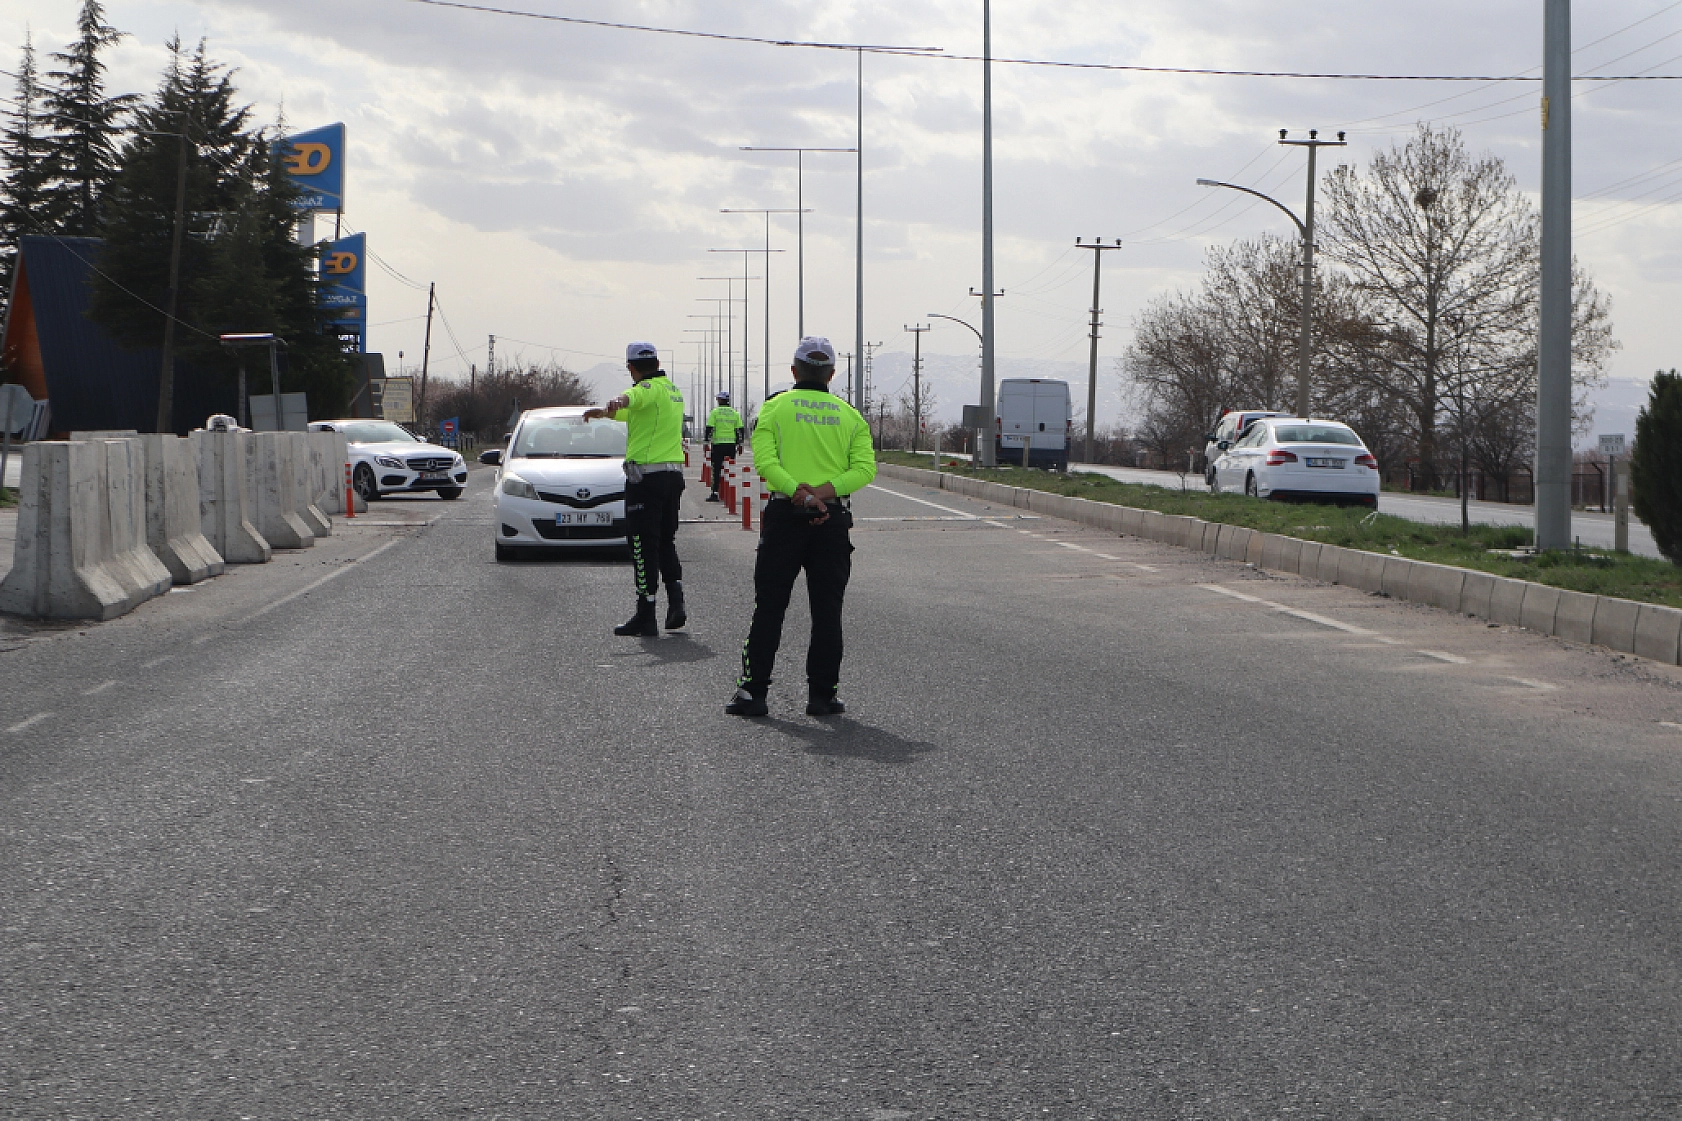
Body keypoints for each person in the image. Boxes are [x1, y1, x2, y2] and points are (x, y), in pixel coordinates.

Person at [727, 336, 876, 718]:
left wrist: (799, 493)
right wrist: (823, 495)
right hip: (832, 520)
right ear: (831, 373)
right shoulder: (850, 416)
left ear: (794, 371)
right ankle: (823, 696)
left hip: (784, 516)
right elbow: (864, 470)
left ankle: (753, 692)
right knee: (828, 611)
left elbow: (765, 463)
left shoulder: (774, 408)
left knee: (769, 607)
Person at [584, 342, 687, 636]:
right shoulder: (671, 390)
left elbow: (630, 399)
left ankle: (646, 613)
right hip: (672, 477)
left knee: (642, 544)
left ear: (631, 368)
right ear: (656, 361)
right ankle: (676, 602)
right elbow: (631, 412)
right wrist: (605, 412)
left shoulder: (645, 389)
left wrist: (616, 401)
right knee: (666, 540)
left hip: (646, 481)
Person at [704, 391, 743, 502]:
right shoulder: (735, 413)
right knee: (730, 470)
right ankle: (730, 493)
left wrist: (706, 442)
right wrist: (740, 444)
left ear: (720, 400)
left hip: (718, 445)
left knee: (716, 469)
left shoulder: (715, 412)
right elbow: (740, 430)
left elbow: (710, 428)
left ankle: (715, 493)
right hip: (731, 446)